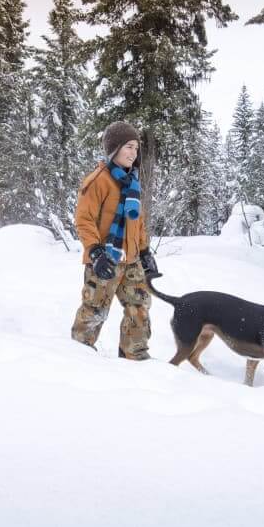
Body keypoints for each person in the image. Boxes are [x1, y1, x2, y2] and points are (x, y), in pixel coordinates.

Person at [70, 121, 160, 360]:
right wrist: (96, 252)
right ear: (114, 149)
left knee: (139, 307)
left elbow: (137, 222)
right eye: (128, 147)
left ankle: (135, 355)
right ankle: (79, 354)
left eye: (136, 148)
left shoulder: (133, 183)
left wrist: (144, 252)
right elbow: (83, 220)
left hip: (131, 260)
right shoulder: (98, 180)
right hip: (104, 259)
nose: (134, 153)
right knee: (95, 310)